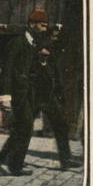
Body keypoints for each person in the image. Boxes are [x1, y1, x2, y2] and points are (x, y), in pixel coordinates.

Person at [0, 8, 49, 175]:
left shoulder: (34, 43)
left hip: (28, 92)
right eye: (42, 25)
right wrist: (5, 95)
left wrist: (42, 61)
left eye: (46, 26)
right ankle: (15, 166)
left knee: (21, 127)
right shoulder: (17, 42)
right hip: (17, 93)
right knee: (25, 126)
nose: (45, 29)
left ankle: (3, 156)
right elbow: (8, 70)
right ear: (32, 24)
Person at [34, 26, 81, 170]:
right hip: (35, 96)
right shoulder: (40, 48)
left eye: (57, 36)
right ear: (48, 36)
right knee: (21, 129)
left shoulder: (55, 50)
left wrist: (59, 94)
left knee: (61, 126)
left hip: (48, 97)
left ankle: (65, 160)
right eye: (53, 36)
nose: (56, 39)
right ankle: (6, 155)